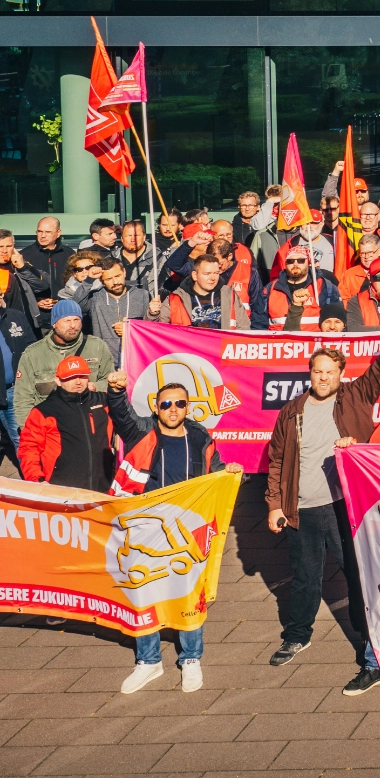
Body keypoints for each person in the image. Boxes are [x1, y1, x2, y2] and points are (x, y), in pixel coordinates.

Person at [263, 313, 380, 694]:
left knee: (357, 577)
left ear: (340, 374)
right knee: (304, 577)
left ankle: (371, 645)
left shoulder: (356, 396)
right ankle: (297, 635)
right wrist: (275, 504)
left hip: (346, 506)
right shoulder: (292, 411)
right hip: (303, 509)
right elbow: (278, 459)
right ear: (309, 373)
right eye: (317, 371)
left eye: (330, 372)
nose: (323, 377)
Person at [105, 368, 229, 693]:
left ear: (188, 407)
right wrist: (116, 391)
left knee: (188, 592)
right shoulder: (143, 432)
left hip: (186, 529)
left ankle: (191, 659)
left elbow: (215, 470)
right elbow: (122, 417)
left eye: (179, 404)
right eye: (166, 404)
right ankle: (148, 661)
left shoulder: (200, 437)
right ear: (156, 408)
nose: (173, 409)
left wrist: (231, 474)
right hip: (146, 527)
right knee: (143, 591)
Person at [13, 297, 113, 428]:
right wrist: (30, 431)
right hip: (51, 427)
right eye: (67, 320)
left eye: (76, 320)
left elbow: (111, 383)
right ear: (54, 324)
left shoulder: (97, 346)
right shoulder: (32, 354)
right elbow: (23, 399)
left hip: (90, 424)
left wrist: (94, 386)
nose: (72, 325)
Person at [19, 355, 113, 489]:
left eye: (82, 376)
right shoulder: (44, 411)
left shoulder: (104, 401)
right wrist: (37, 481)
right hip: (62, 489)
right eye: (70, 378)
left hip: (103, 486)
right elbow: (29, 448)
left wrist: (118, 392)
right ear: (57, 380)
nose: (78, 382)